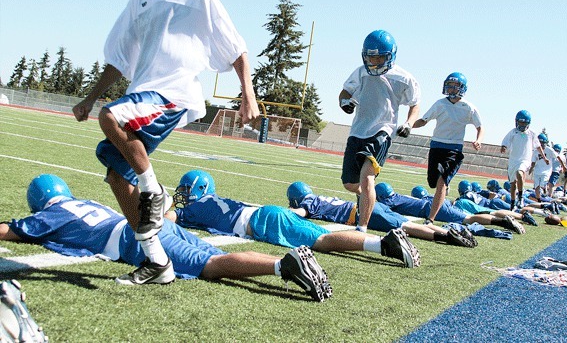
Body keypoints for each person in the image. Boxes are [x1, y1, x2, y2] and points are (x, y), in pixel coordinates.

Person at [71, 0, 259, 284]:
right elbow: (119, 59)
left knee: (112, 116)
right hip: (143, 94)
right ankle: (157, 261)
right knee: (114, 172)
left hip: (174, 94)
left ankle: (154, 192)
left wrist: (247, 94)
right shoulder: (139, 1)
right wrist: (90, 97)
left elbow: (236, 49)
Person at [0, 174, 332, 302]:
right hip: (155, 225)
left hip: (137, 239)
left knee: (212, 266)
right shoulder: (85, 202)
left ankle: (283, 265)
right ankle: (284, 262)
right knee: (212, 254)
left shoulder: (52, 213)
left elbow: (11, 231)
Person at [165, 170, 421, 268]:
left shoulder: (196, 207)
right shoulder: (209, 202)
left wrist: (161, 208)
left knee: (321, 241)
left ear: (199, 190)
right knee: (322, 237)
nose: (183, 196)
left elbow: (168, 220)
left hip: (264, 221)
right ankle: (381, 243)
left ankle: (384, 245)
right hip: (267, 215)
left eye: (186, 190)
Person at [338, 30, 420, 233]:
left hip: (382, 131)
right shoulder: (361, 72)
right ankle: (368, 196)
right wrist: (344, 103)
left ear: (390, 55)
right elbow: (345, 92)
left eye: (379, 57)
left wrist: (408, 124)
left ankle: (362, 227)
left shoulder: (403, 78)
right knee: (350, 183)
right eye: (371, 57)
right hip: (358, 130)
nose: (374, 61)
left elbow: (415, 104)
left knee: (367, 177)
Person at [286, 182, 477, 248]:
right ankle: (450, 231)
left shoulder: (308, 202)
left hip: (363, 213)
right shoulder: (318, 197)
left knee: (407, 227)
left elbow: (300, 212)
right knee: (404, 223)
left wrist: (286, 212)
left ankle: (447, 236)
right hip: (370, 206)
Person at [412, 72, 483, 226]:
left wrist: (479, 140)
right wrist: (408, 125)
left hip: (454, 149)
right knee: (433, 182)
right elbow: (424, 121)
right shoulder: (439, 104)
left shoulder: (468, 107)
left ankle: (430, 219)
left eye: (454, 86)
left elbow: (480, 127)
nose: (451, 89)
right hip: (436, 146)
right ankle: (443, 189)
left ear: (462, 88)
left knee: (441, 183)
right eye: (449, 85)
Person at [375, 183, 527, 234]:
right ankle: (501, 220)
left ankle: (502, 222)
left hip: (432, 208)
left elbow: (376, 209)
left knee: (469, 219)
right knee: (470, 217)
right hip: (438, 204)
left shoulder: (390, 201)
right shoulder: (397, 197)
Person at [500, 110, 548, 209]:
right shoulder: (513, 132)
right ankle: (513, 205)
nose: (522, 125)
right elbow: (505, 142)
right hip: (513, 160)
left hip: (525, 160)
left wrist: (544, 157)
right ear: (517, 121)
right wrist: (503, 147)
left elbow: (538, 147)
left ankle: (521, 197)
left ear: (528, 123)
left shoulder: (532, 134)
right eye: (521, 122)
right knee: (512, 185)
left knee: (520, 173)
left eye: (524, 123)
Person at [529, 134, 566, 201]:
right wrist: (531, 169)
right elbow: (533, 162)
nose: (542, 145)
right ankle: (539, 200)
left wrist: (563, 166)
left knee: (543, 185)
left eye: (543, 143)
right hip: (537, 171)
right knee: (536, 188)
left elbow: (558, 157)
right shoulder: (535, 151)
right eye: (540, 143)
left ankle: (546, 193)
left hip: (546, 171)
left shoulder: (549, 150)